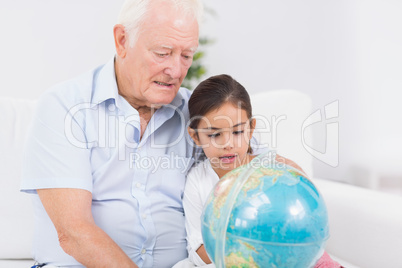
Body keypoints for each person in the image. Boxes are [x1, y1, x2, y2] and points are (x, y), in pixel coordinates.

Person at [20, 0, 203, 267]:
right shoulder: (64, 107)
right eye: (163, 53)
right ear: (122, 40)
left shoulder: (197, 113)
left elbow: (257, 170)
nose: (176, 71)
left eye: (187, 56)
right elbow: (74, 232)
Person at [183, 74, 342, 267]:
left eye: (238, 132)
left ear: (251, 129)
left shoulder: (276, 171)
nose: (228, 144)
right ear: (196, 137)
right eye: (215, 134)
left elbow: (305, 217)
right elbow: (198, 250)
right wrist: (241, 251)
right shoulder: (197, 181)